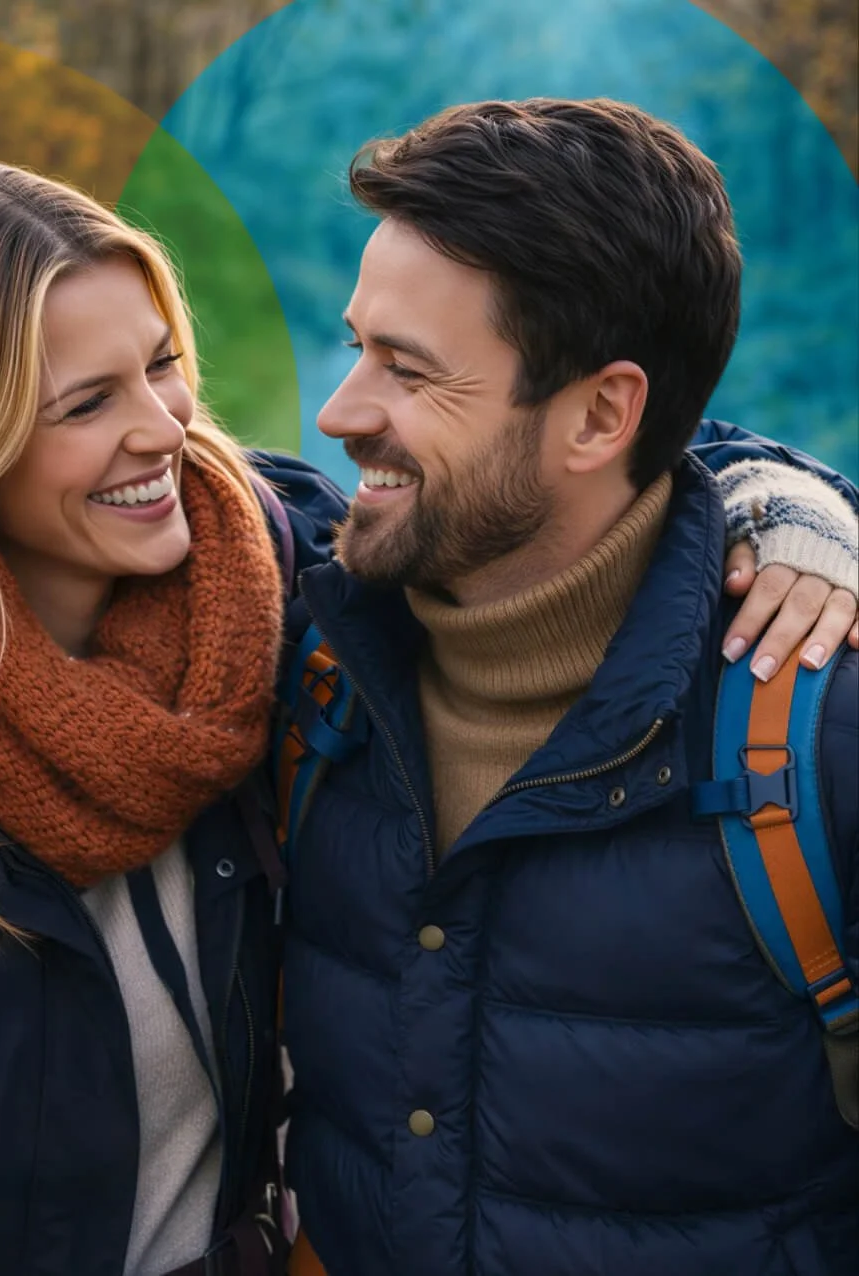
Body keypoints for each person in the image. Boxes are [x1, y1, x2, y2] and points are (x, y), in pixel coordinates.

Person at [0, 149, 852, 1276]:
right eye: (88, 401)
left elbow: (590, 453)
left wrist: (797, 504)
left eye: (161, 365)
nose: (162, 428)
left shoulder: (272, 600)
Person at [277, 100, 859, 1276]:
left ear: (601, 413)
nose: (338, 414)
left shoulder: (819, 741)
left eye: (410, 371)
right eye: (355, 345)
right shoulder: (299, 658)